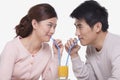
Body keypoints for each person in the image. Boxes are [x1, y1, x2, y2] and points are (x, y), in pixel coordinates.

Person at [0, 3, 64, 80]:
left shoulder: (47, 49)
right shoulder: (12, 47)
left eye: (54, 27)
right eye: (49, 25)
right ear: (34, 24)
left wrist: (57, 55)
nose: (53, 31)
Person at [65, 0, 120, 80]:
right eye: (76, 27)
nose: (76, 33)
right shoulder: (91, 47)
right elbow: (88, 78)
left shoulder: (117, 46)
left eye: (80, 27)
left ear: (97, 27)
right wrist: (74, 55)